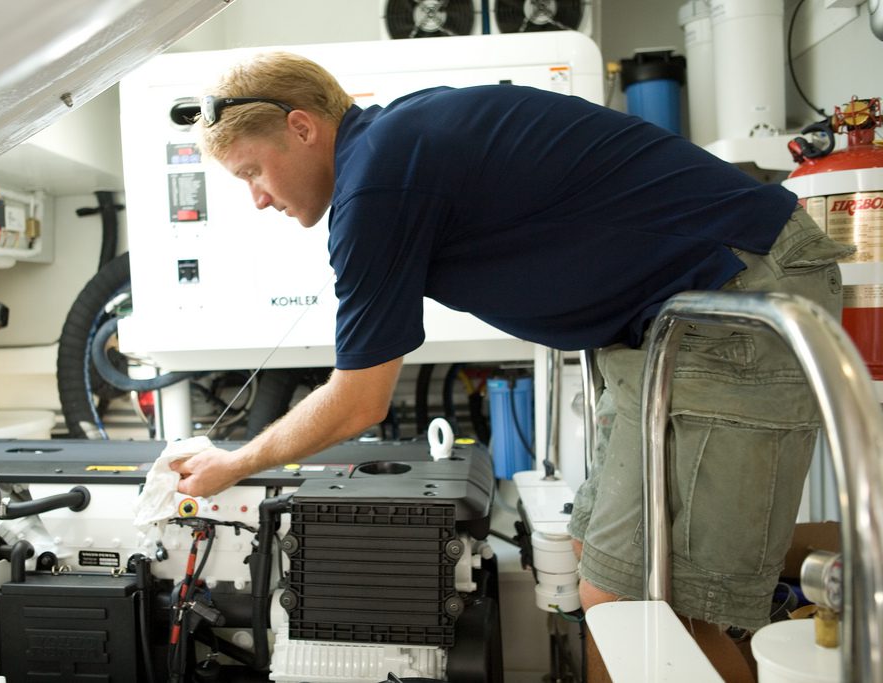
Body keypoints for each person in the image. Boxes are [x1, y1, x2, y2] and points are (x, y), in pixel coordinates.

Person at [169, 51, 853, 681]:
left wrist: (233, 460)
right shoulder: (390, 146)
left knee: (659, 604)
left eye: (254, 171)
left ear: (302, 126)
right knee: (601, 571)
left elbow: (358, 401)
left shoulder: (376, 181)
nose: (257, 197)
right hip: (668, 324)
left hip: (736, 292)